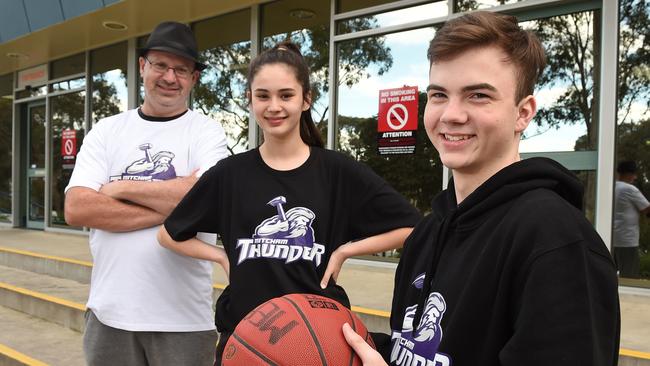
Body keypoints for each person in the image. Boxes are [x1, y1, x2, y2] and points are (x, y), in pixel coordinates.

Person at [343, 11, 620, 366]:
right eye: (439, 94)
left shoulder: (558, 242)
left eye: (478, 96)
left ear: (523, 112)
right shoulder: (427, 234)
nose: (451, 115)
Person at [157, 42, 422, 364]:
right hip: (245, 333)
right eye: (263, 96)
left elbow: (414, 228)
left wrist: (345, 250)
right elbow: (169, 234)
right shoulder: (230, 173)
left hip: (320, 336)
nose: (274, 106)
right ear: (250, 101)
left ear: (306, 99)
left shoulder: (337, 171)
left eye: (286, 95)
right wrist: (223, 257)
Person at [64, 21, 228, 366]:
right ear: (142, 67)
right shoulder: (107, 131)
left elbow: (212, 197)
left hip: (184, 322)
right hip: (109, 316)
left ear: (194, 78)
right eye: (160, 65)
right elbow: (77, 208)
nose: (170, 77)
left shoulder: (206, 133)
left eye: (181, 69)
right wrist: (182, 204)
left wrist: (120, 189)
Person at [613, 160, 650, 278]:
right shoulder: (629, 189)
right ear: (629, 174)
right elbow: (647, 209)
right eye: (634, 174)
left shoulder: (611, 187)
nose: (635, 177)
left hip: (612, 238)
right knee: (629, 276)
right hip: (627, 240)